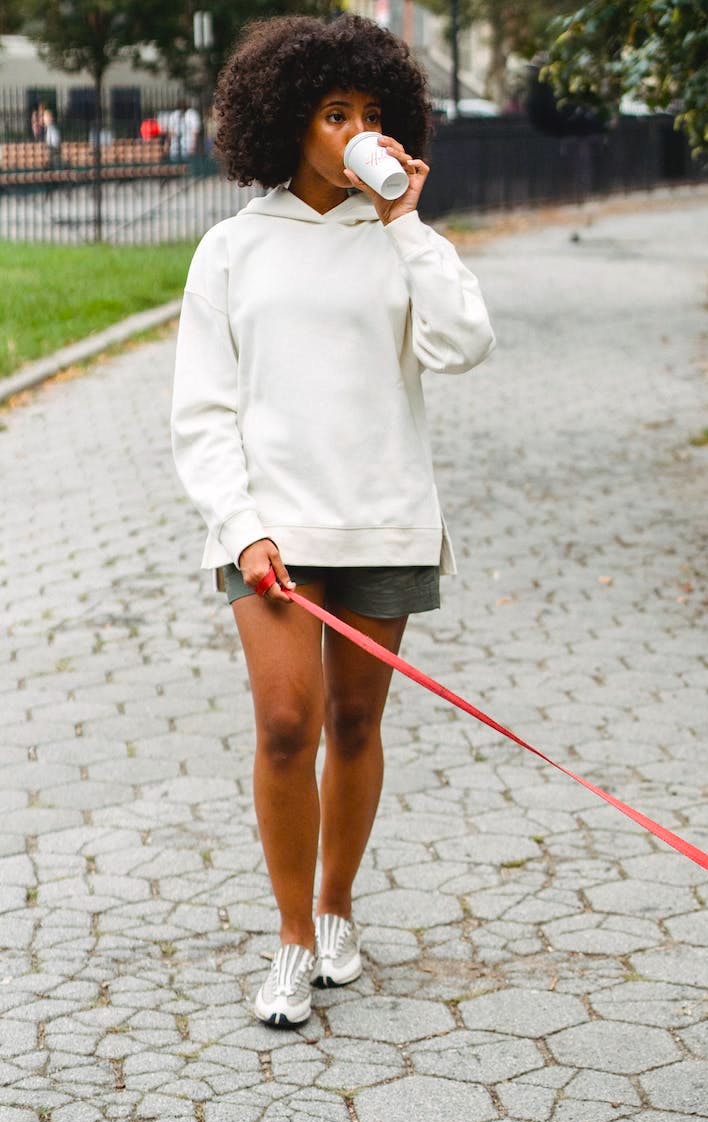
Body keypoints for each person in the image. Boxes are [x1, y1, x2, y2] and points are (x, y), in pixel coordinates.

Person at [170, 13, 495, 1029]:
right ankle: (291, 942)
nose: (357, 130)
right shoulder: (232, 248)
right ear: (286, 122)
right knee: (283, 723)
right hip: (269, 530)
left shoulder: (400, 241)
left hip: (383, 518)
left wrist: (404, 220)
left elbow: (464, 343)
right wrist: (239, 522)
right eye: (334, 112)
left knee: (355, 722)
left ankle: (338, 907)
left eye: (371, 114)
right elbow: (202, 408)